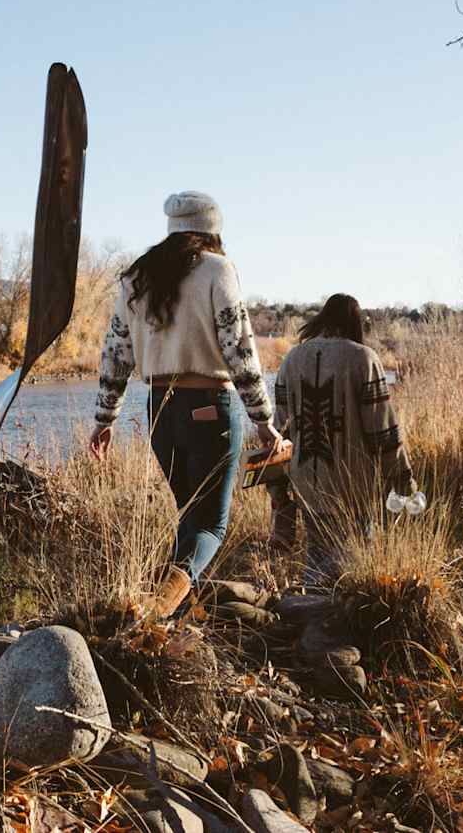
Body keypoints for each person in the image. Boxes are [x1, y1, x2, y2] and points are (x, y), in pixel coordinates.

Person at [90, 191, 282, 617]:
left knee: (190, 517)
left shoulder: (137, 278)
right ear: (213, 229)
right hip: (210, 406)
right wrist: (264, 420)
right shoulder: (218, 269)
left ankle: (166, 619)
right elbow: (240, 350)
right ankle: (158, 610)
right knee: (211, 525)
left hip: (160, 408)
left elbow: (115, 353)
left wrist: (105, 419)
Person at [269, 294, 414, 583]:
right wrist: (402, 476)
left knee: (317, 554)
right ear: (354, 323)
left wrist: (277, 488)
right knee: (356, 561)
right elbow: (382, 428)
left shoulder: (292, 358)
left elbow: (278, 430)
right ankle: (337, 616)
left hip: (305, 479)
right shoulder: (363, 358)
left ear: (323, 318)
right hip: (352, 484)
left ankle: (311, 610)